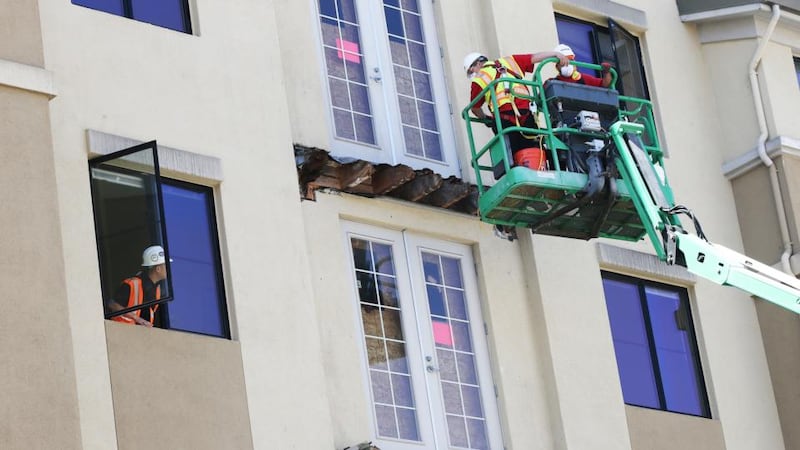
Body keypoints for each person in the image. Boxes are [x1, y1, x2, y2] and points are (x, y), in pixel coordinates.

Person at [465, 50, 570, 156]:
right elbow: (534, 57)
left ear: (478, 63)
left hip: (504, 118)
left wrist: (485, 119)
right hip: (526, 113)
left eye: (471, 70)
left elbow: (475, 108)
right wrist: (555, 54)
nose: (472, 73)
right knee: (534, 151)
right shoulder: (509, 61)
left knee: (512, 155)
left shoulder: (478, 78)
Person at [108, 245, 170, 327]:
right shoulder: (131, 284)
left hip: (139, 334)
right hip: (121, 330)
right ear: (158, 269)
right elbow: (112, 304)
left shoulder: (157, 290)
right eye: (166, 265)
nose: (169, 269)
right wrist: (137, 318)